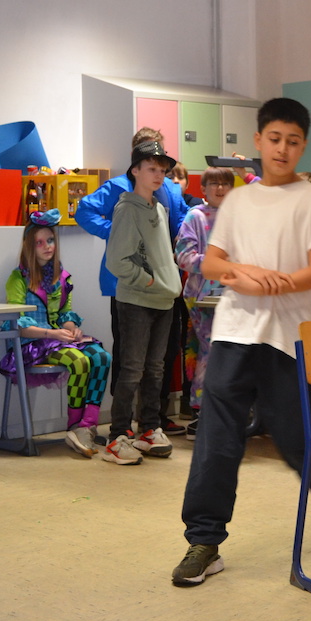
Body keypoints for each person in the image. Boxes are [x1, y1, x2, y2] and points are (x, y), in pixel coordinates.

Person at [172, 97, 311, 588]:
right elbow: (212, 262)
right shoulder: (239, 201)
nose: (282, 149)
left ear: (303, 146)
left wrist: (276, 283)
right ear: (258, 142)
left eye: (293, 141)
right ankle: (204, 540)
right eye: (274, 139)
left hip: (290, 337)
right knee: (217, 440)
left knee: (296, 444)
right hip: (234, 332)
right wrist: (245, 273)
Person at [75, 127, 188, 435]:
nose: (158, 169)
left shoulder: (170, 191)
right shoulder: (119, 189)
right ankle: (121, 427)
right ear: (135, 162)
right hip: (129, 286)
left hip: (163, 286)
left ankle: (154, 420)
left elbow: (182, 222)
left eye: (161, 162)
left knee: (160, 360)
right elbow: (84, 210)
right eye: (150, 161)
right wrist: (117, 234)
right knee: (130, 360)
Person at [0, 209, 112, 459]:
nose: (47, 246)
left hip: (58, 340)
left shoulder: (61, 277)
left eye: (50, 240)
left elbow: (65, 313)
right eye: (39, 242)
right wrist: (53, 334)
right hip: (32, 344)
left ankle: (88, 425)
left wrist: (71, 328)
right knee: (80, 361)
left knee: (103, 357)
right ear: (29, 246)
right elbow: (18, 325)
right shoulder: (18, 278)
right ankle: (74, 426)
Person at [104, 140, 183, 465]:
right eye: (152, 169)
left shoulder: (160, 209)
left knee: (155, 369)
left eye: (162, 170)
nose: (159, 175)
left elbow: (162, 254)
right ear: (135, 170)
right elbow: (117, 261)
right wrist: (148, 280)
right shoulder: (127, 209)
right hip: (137, 300)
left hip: (164, 300)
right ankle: (117, 436)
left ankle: (149, 429)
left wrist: (164, 283)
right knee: (132, 369)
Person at [174, 166, 235, 433]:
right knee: (210, 349)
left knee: (231, 352)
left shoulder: (238, 217)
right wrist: (216, 264)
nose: (220, 189)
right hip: (203, 297)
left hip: (234, 296)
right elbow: (183, 256)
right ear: (203, 188)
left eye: (225, 184)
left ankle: (227, 410)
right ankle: (201, 411)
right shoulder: (195, 216)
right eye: (214, 184)